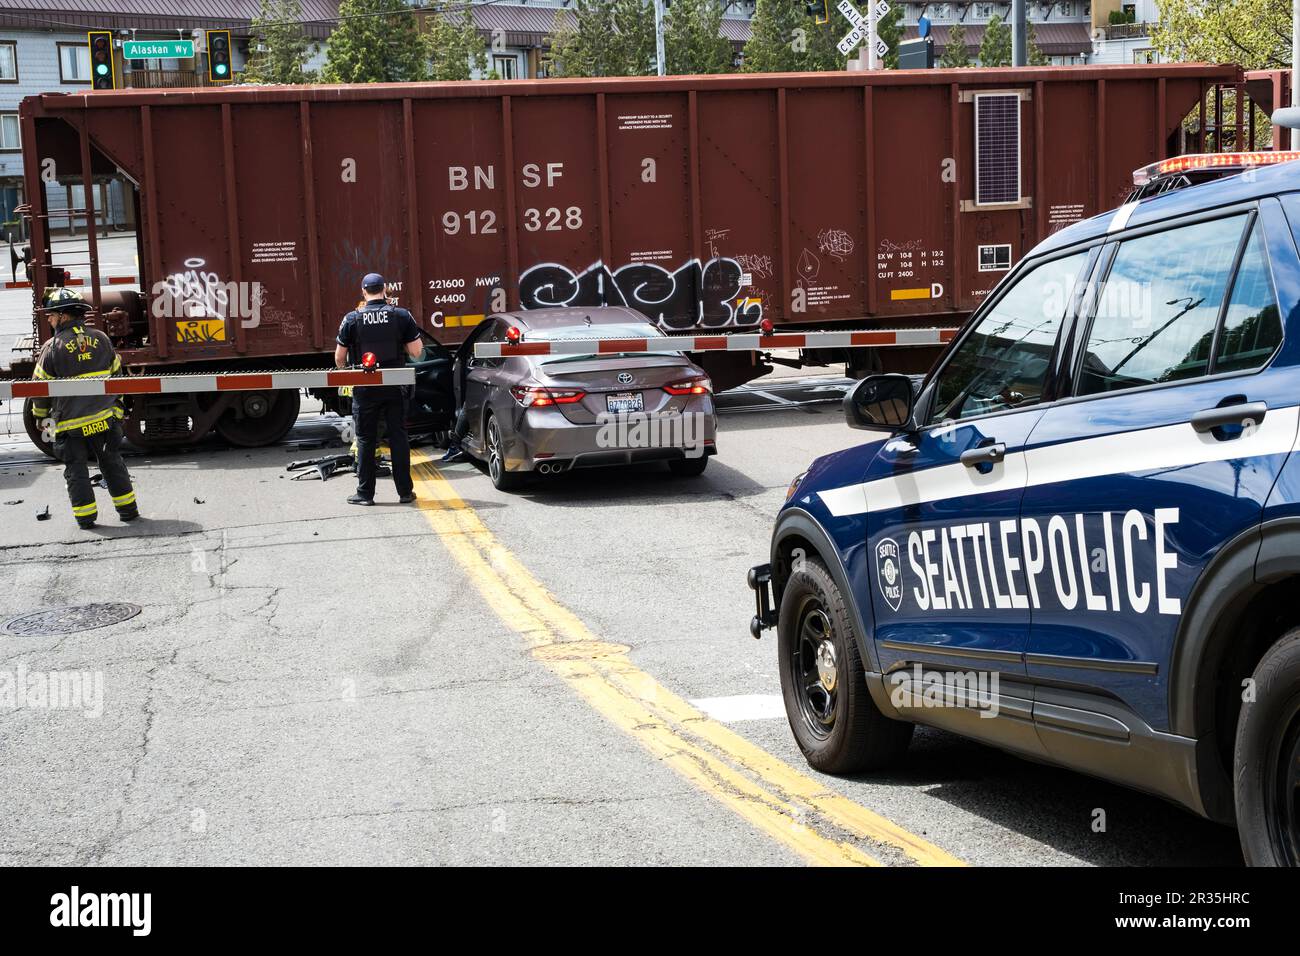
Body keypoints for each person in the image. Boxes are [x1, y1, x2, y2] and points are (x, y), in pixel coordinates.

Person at [31, 287, 138, 529]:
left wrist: (40, 418)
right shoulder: (101, 339)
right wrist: (117, 412)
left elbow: (39, 389)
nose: (49, 319)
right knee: (112, 463)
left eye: (51, 315)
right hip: (105, 421)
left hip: (71, 426)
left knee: (76, 470)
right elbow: (117, 377)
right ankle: (129, 512)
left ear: (64, 316)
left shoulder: (52, 347)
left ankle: (86, 519)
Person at [334, 273, 424, 506]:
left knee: (365, 438)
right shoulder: (402, 316)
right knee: (398, 437)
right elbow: (416, 352)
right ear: (385, 289)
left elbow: (339, 358)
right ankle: (405, 492)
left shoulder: (351, 319)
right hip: (395, 385)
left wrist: (351, 369)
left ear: (363, 292)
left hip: (365, 388)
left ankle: (365, 494)